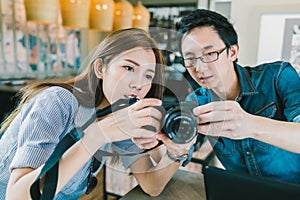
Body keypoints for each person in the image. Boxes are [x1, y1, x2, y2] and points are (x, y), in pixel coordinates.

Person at [0, 28, 194, 199]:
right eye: (128, 67)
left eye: (148, 75)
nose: (138, 83)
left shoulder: (118, 111)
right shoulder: (57, 102)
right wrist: (96, 135)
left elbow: (152, 185)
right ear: (100, 68)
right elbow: (16, 196)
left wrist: (176, 153)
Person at [176, 9, 300, 184]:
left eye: (209, 54)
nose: (199, 68)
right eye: (190, 59)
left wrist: (250, 125)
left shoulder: (278, 77)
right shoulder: (197, 102)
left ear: (232, 52)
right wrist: (174, 146)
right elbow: (181, 151)